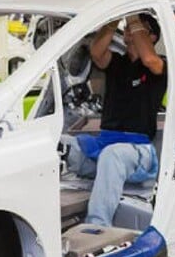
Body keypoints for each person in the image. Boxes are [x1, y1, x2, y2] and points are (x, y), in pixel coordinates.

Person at [65, 14, 167, 228]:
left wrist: (132, 17)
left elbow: (149, 59)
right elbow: (96, 52)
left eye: (140, 28)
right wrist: (114, 19)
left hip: (137, 151)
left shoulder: (159, 66)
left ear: (153, 37)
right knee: (61, 145)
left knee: (113, 155)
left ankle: (97, 227)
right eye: (129, 27)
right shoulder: (117, 63)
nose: (131, 29)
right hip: (105, 145)